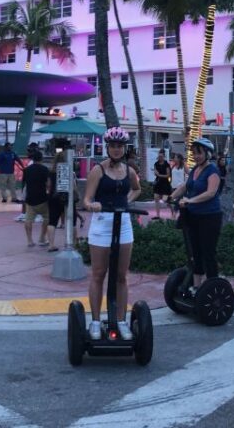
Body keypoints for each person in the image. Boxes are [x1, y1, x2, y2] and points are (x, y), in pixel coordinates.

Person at [83, 126, 141, 341]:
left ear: (124, 148)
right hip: (102, 224)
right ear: (107, 147)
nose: (117, 149)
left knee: (121, 276)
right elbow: (86, 199)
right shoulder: (98, 170)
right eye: (113, 146)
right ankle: (95, 321)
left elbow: (137, 189)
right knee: (98, 273)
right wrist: (92, 205)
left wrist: (126, 202)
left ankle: (121, 320)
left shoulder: (129, 171)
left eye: (120, 146)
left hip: (123, 222)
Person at [170, 138, 223, 291]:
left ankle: (213, 287)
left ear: (207, 154)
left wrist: (190, 200)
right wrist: (171, 197)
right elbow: (185, 186)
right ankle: (196, 286)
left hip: (210, 217)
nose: (196, 156)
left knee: (208, 252)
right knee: (195, 252)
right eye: (194, 153)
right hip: (193, 216)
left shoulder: (213, 170)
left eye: (199, 153)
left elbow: (211, 193)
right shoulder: (195, 170)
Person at [46, 150, 82, 252]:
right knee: (72, 221)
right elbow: (74, 186)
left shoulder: (51, 172)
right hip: (68, 197)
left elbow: (48, 185)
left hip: (54, 197)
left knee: (52, 221)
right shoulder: (70, 171)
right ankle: (74, 244)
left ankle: (51, 244)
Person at [22, 150, 50, 247]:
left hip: (30, 199)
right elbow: (48, 184)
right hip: (42, 198)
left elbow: (24, 184)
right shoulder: (45, 169)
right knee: (47, 218)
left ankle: (29, 240)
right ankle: (42, 238)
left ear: (33, 159)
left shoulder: (26, 170)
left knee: (28, 220)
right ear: (41, 159)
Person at [152, 150, 172, 219]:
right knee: (156, 198)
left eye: (161, 156)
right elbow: (155, 172)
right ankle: (158, 215)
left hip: (165, 183)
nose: (160, 157)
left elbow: (168, 175)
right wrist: (156, 174)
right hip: (158, 183)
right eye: (159, 156)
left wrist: (159, 175)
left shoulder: (166, 164)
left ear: (164, 156)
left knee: (165, 200)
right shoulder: (156, 164)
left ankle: (172, 211)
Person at [169, 153, 188, 219]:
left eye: (175, 157)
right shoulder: (173, 166)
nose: (174, 159)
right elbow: (171, 176)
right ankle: (177, 215)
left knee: (178, 202)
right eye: (174, 157)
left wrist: (186, 183)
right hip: (173, 186)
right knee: (171, 202)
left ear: (179, 159)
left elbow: (189, 173)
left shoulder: (183, 165)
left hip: (181, 187)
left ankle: (174, 216)